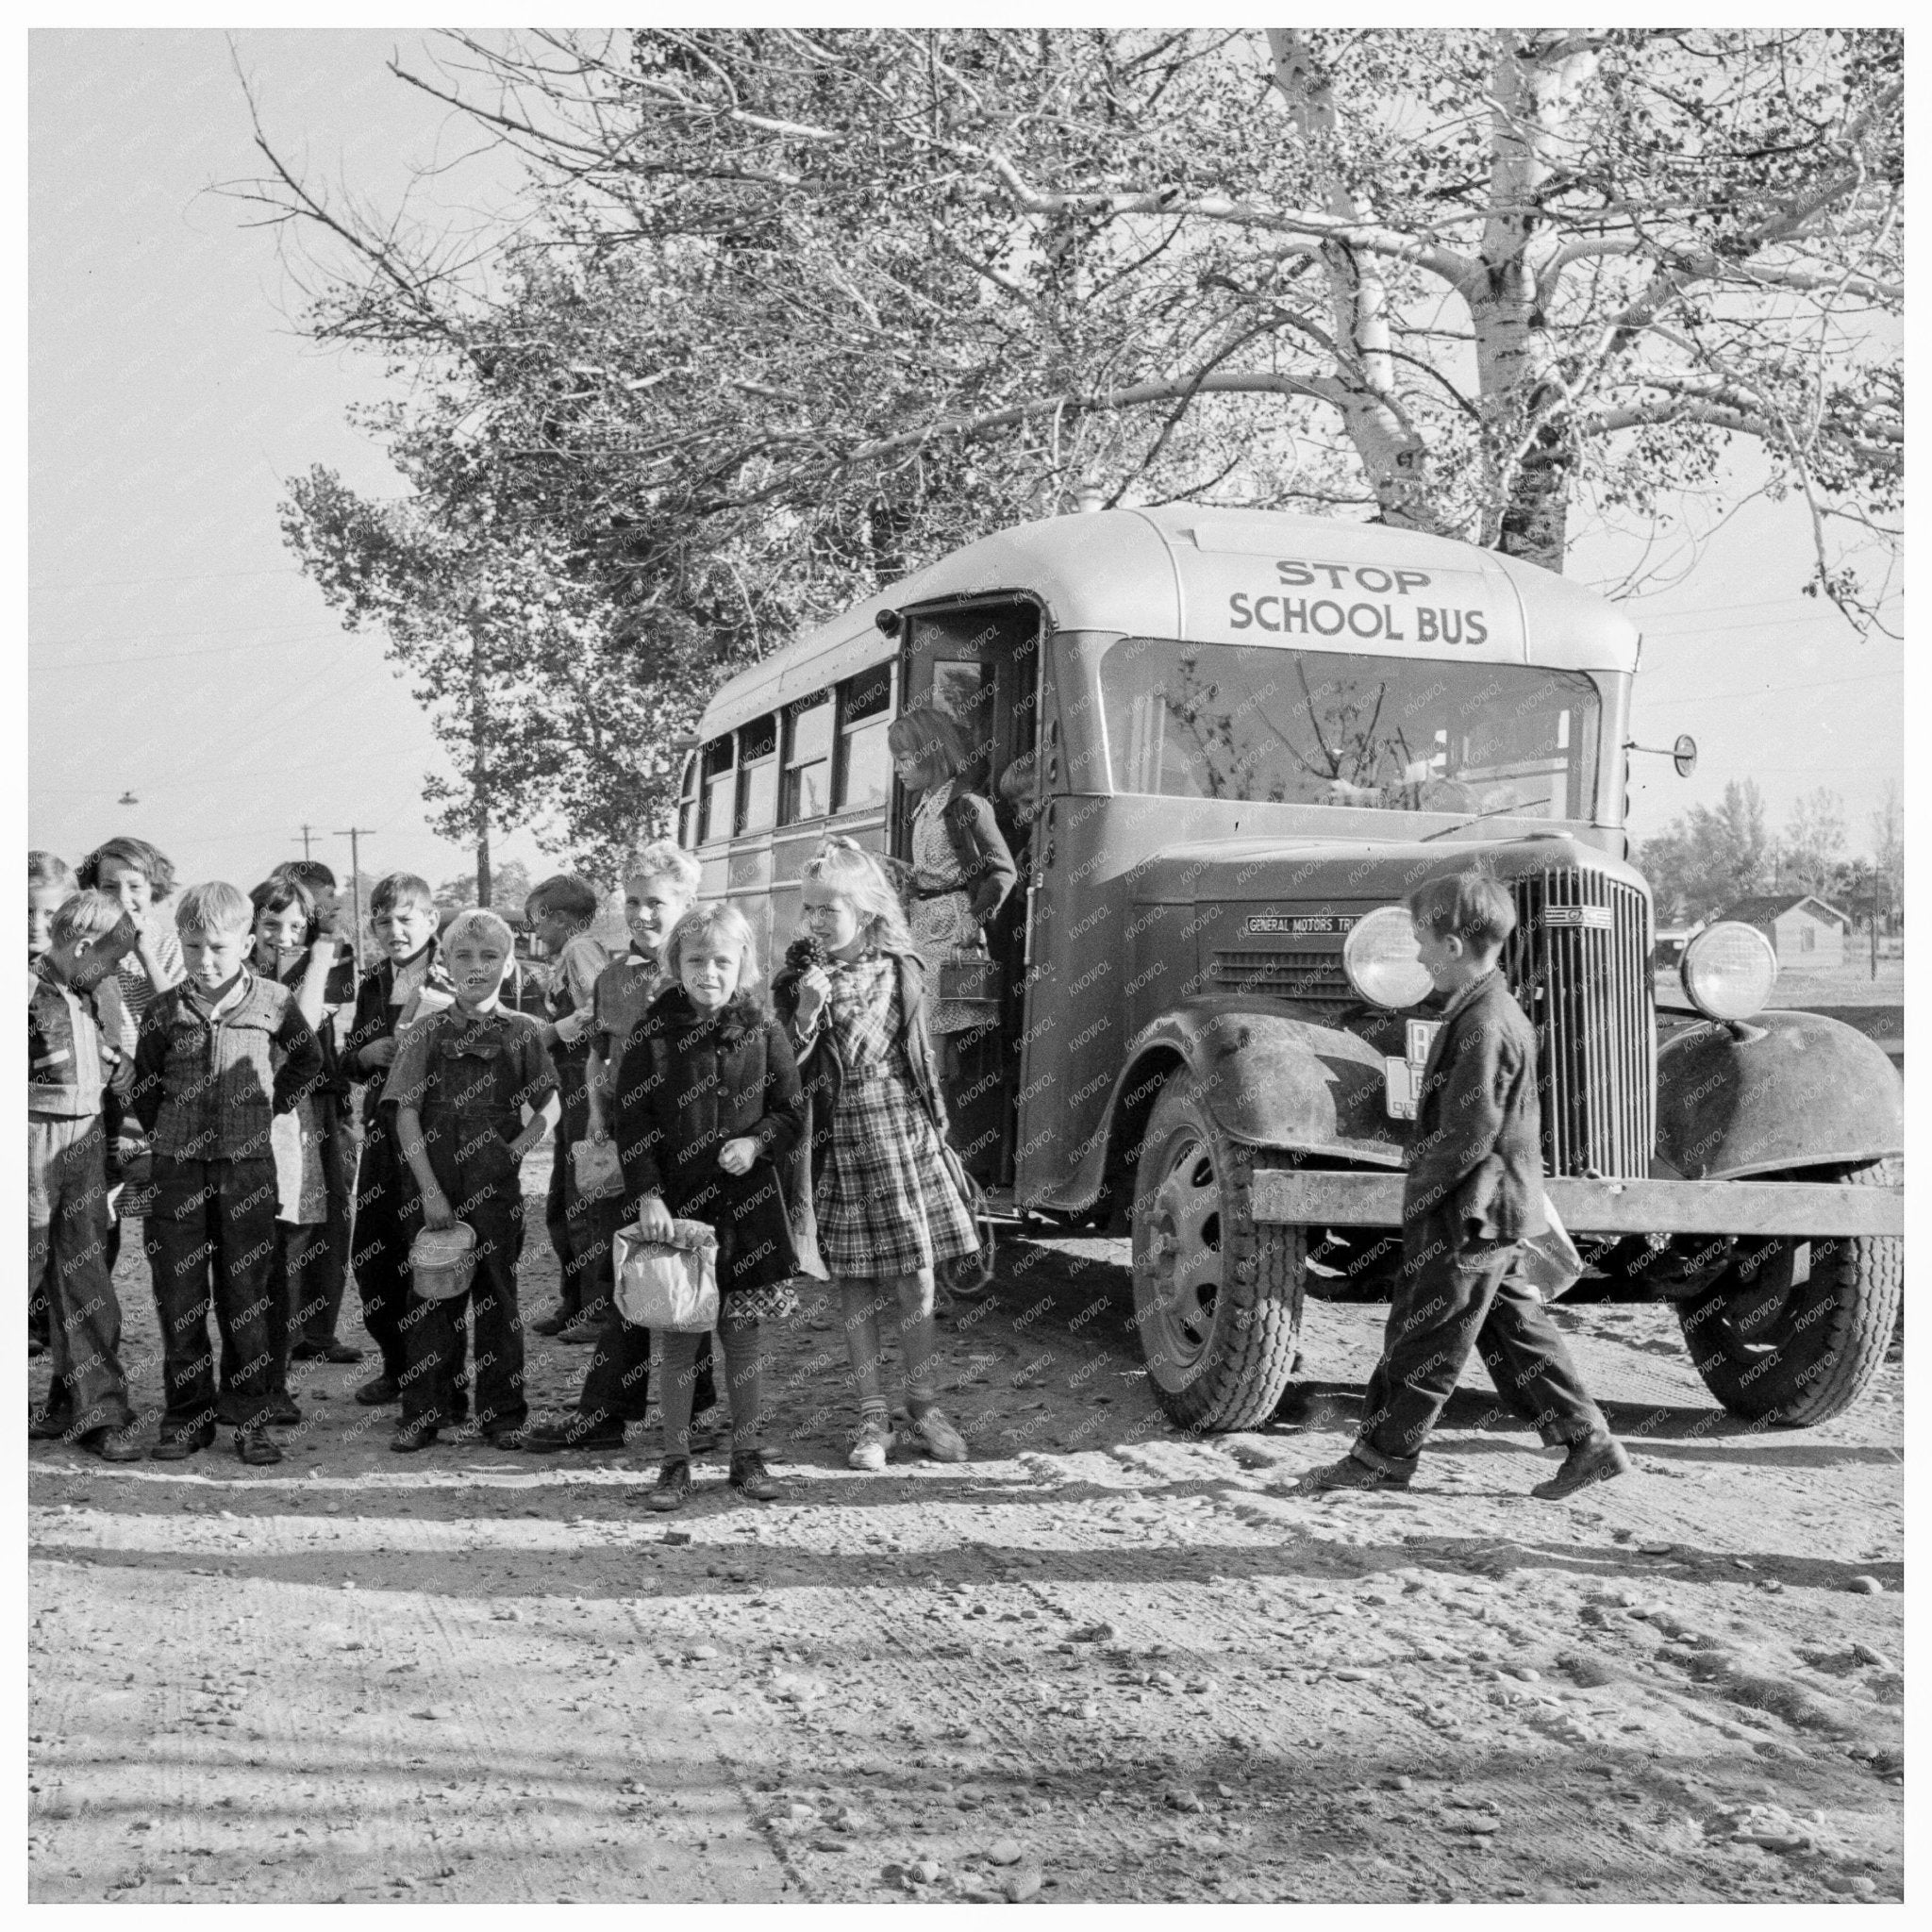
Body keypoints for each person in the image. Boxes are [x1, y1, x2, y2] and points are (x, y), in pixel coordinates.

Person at [1300, 870, 1633, 1501]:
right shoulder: (1486, 1009)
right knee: (1515, 1331)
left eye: (1423, 941)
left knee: (1424, 1335)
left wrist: (1423, 1194)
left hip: (1469, 1211)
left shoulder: (1485, 1023)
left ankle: (1381, 1458)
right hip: (1493, 1208)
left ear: (1453, 947)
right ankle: (1588, 1442)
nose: (1418, 954)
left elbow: (1471, 1127)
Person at [773, 837, 978, 1473]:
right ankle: (871, 1411)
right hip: (840, 1140)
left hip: (902, 1133)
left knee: (917, 1276)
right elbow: (787, 1070)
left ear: (867, 909)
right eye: (809, 909)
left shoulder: (902, 967)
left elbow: (917, 1057)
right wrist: (806, 1012)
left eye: (829, 908)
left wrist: (940, 1131)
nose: (815, 920)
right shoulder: (796, 981)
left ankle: (922, 1403)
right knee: (855, 1284)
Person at [525, 841, 718, 1453]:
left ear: (686, 903)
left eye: (655, 902)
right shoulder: (613, 977)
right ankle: (607, 1413)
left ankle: (699, 1418)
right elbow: (597, 1055)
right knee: (623, 1276)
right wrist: (597, 1119)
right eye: (632, 902)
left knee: (694, 1280)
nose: (641, 914)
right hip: (625, 1148)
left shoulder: (704, 968)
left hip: (691, 1147)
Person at [615, 902, 804, 1509]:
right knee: (679, 1335)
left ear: (744, 964)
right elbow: (633, 1119)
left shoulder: (765, 1031)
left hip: (746, 1214)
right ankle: (674, 1461)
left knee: (740, 1334)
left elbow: (792, 1113)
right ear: (676, 963)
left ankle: (746, 1456)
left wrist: (756, 1143)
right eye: (696, 959)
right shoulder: (654, 1033)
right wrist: (647, 1195)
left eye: (723, 960)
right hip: (677, 1214)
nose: (710, 971)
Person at [129, 881, 324, 1466]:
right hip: (178, 1176)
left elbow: (308, 1060)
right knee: (181, 1299)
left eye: (217, 946)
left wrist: (270, 1106)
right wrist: (171, 1131)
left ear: (245, 940)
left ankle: (251, 1419)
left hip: (248, 1173)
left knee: (248, 1300)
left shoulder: (272, 1001)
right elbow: (144, 1085)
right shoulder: (164, 1010)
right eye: (192, 948)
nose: (205, 960)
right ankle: (186, 1417)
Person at [383, 907, 558, 1453]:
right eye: (464, 956)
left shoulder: (523, 1033)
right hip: (433, 1182)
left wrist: (518, 1149)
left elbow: (551, 1104)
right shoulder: (426, 1033)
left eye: (490, 956)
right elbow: (405, 1112)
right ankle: (428, 1412)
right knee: (432, 1297)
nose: (476, 966)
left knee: (499, 1299)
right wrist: (430, 1191)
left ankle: (503, 1415)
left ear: (509, 967)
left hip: (495, 1188)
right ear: (446, 964)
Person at [29, 885, 142, 1461]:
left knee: (86, 1283)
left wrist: (116, 1067)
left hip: (86, 1144)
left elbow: (98, 1052)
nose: (116, 969)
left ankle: (100, 1411)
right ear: (83, 943)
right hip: (28, 1143)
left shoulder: (89, 993)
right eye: (112, 958)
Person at [339, 874, 452, 1410]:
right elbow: (350, 1057)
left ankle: (438, 1382)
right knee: (375, 1254)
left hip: (440, 1133)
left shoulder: (458, 969)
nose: (394, 930)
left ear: (431, 920)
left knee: (432, 1252)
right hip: (384, 1132)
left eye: (406, 919)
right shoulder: (374, 980)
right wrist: (368, 1053)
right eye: (383, 921)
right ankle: (396, 1365)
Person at [243, 874, 340, 1424]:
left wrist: (321, 950)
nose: (283, 936)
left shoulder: (311, 974)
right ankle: (241, 1380)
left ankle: (274, 1381)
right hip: (233, 1124)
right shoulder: (230, 972)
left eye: (296, 927)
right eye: (271, 924)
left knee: (285, 1260)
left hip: (288, 1125)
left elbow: (297, 1029)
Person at [268, 859, 363, 1364]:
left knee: (330, 1216)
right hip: (274, 1100)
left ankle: (318, 1331)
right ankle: (279, 1333)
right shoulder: (253, 956)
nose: (312, 915)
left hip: (322, 1094)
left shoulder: (331, 954)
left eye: (320, 905)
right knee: (287, 1216)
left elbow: (324, 1024)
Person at [75, 835, 183, 1278]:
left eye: (135, 885)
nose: (123, 898)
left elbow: (177, 1011)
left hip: (159, 1089)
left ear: (154, 887)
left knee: (163, 1205)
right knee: (97, 1204)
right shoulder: (82, 944)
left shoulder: (171, 943)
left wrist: (140, 948)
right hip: (102, 1084)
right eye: (109, 887)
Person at [886, 708, 1018, 1048]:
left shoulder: (968, 805)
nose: (898, 769)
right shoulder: (923, 809)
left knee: (943, 1034)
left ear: (931, 754)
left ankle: (945, 1097)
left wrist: (975, 919)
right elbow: (933, 870)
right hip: (922, 931)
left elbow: (1003, 870)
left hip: (955, 935)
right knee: (919, 1027)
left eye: (903, 759)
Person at [522, 874, 612, 1345]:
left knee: (586, 1200)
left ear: (559, 917)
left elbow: (598, 1012)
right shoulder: (566, 956)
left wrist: (550, 1034)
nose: (534, 929)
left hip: (584, 1080)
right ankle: (574, 1300)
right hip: (567, 1083)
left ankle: (599, 1310)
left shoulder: (580, 951)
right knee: (562, 1197)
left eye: (538, 918)